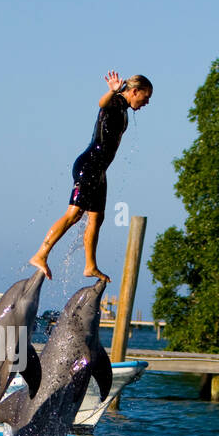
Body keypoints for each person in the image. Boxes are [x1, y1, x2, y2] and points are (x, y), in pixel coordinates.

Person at [29, 70, 152, 283]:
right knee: (74, 215)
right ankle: (41, 255)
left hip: (99, 171)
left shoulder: (123, 109)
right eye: (146, 97)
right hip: (89, 166)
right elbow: (102, 103)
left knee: (97, 217)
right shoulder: (114, 103)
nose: (147, 102)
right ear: (134, 91)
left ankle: (90, 265)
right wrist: (113, 92)